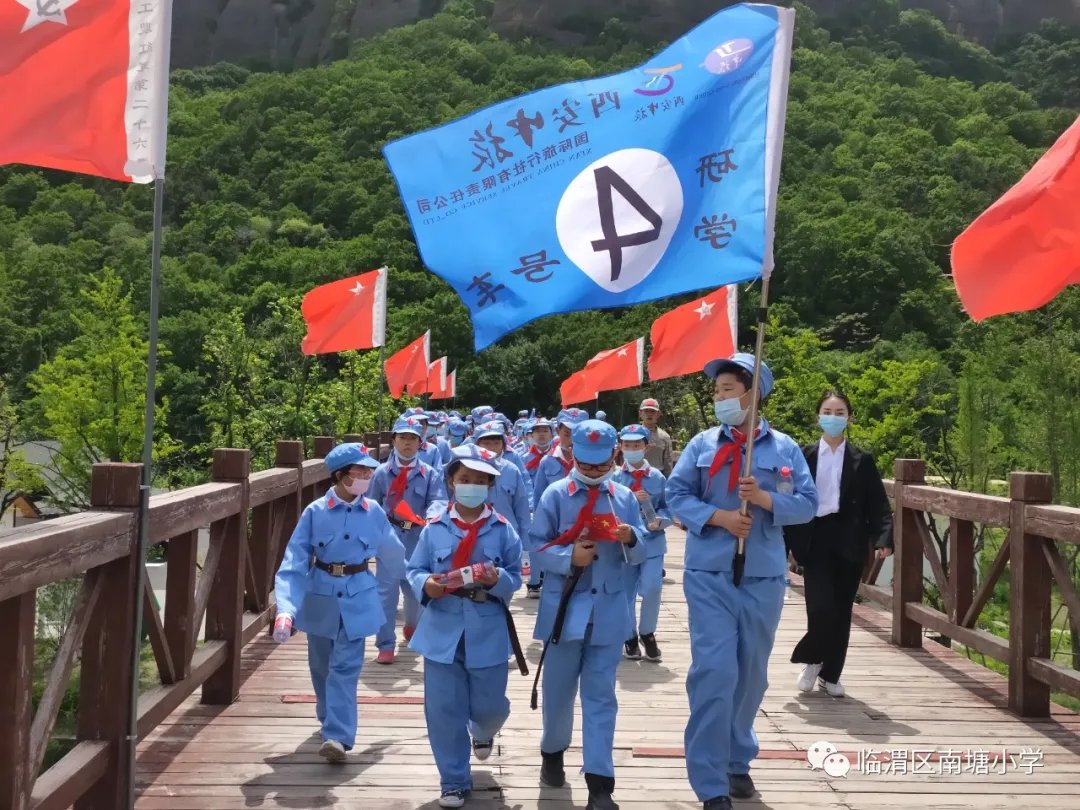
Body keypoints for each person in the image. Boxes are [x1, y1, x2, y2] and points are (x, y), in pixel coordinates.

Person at [666, 354, 817, 810]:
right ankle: (709, 781)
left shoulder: (785, 449)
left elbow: (808, 504)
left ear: (753, 394)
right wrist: (721, 517)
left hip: (764, 574)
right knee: (714, 671)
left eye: (728, 389)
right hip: (709, 571)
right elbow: (676, 495)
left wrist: (766, 499)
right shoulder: (701, 445)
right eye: (717, 392)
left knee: (751, 673)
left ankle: (737, 758)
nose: (720, 398)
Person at [530, 419, 647, 810]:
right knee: (559, 693)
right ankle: (552, 752)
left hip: (609, 611)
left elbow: (643, 551)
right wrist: (568, 558)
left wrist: (631, 537)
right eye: (587, 463)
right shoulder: (555, 495)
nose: (594, 471)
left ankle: (600, 782)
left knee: (601, 697)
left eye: (601, 464)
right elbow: (536, 548)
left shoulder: (624, 497)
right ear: (573, 454)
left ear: (614, 455)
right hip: (565, 610)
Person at [407, 444, 524, 808]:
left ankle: (484, 731)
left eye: (479, 481)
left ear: (490, 487)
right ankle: (454, 780)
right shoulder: (434, 528)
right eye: (464, 480)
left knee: (489, 707)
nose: (471, 486)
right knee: (443, 710)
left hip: (487, 627)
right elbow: (415, 569)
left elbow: (517, 577)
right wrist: (425, 584)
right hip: (442, 627)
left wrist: (496, 578)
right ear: (451, 483)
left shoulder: (503, 530)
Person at [273, 443, 406, 762]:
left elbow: (394, 553)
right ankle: (328, 719)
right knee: (320, 666)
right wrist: (286, 609)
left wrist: (422, 586)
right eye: (359, 471)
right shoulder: (315, 512)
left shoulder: (374, 512)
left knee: (345, 668)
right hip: (321, 596)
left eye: (369, 471)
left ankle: (339, 735)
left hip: (359, 594)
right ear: (339, 475)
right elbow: (295, 559)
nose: (366, 476)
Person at [787, 391, 893, 697]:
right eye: (827, 411)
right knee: (820, 607)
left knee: (842, 609)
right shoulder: (803, 455)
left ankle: (831, 673)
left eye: (839, 412)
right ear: (817, 415)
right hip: (815, 535)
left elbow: (878, 504)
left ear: (849, 417)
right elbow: (789, 496)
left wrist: (883, 538)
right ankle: (812, 659)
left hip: (850, 538)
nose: (832, 417)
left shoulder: (862, 460)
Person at [368, 416, 448, 663]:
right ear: (393, 440)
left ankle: (413, 626)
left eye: (413, 438)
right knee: (386, 594)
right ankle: (385, 643)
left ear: (420, 443)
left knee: (415, 593)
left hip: (417, 537)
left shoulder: (430, 474)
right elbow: (370, 504)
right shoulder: (380, 473)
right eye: (402, 437)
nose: (407, 443)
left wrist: (432, 516)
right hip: (389, 537)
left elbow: (439, 499)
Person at [613, 424, 671, 663]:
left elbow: (668, 505)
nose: (632, 449)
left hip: (653, 541)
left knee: (652, 588)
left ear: (646, 447)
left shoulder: (657, 477)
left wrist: (661, 521)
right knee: (625, 592)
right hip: (626, 544)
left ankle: (648, 632)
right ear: (621, 448)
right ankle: (629, 637)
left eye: (637, 445)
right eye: (627, 445)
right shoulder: (615, 478)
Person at [530, 408, 589, 598]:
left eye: (577, 433)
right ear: (558, 431)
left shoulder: (593, 462)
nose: (571, 438)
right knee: (556, 581)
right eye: (567, 433)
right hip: (557, 529)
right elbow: (539, 496)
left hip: (587, 527)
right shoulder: (548, 461)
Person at [473, 420, 533, 542]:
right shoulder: (468, 469)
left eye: (496, 443)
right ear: (477, 444)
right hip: (476, 536)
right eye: (486, 443)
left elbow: (522, 509)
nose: (492, 448)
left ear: (504, 445)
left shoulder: (511, 470)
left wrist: (526, 546)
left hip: (508, 535)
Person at [638, 398, 674, 475]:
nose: (649, 414)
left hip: (657, 476)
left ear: (658, 414)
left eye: (652, 411)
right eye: (646, 411)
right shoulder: (633, 434)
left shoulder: (664, 437)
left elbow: (668, 461)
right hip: (635, 475)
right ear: (640, 413)